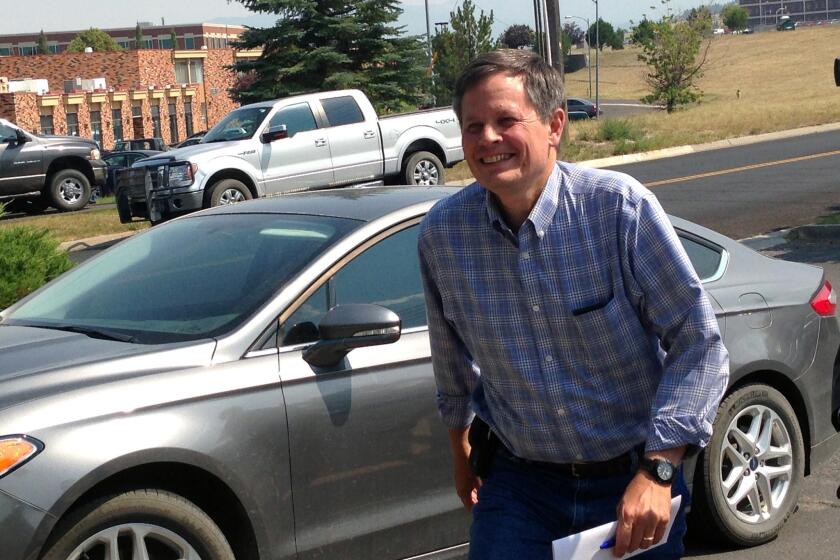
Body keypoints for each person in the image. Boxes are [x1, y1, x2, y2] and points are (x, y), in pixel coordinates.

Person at [417, 49, 729, 559]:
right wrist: (459, 451)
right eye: (473, 126)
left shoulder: (618, 210)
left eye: (505, 120)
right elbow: (451, 362)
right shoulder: (443, 236)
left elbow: (699, 345)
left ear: (555, 124)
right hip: (521, 485)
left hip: (633, 475)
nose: (487, 139)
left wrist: (660, 470)